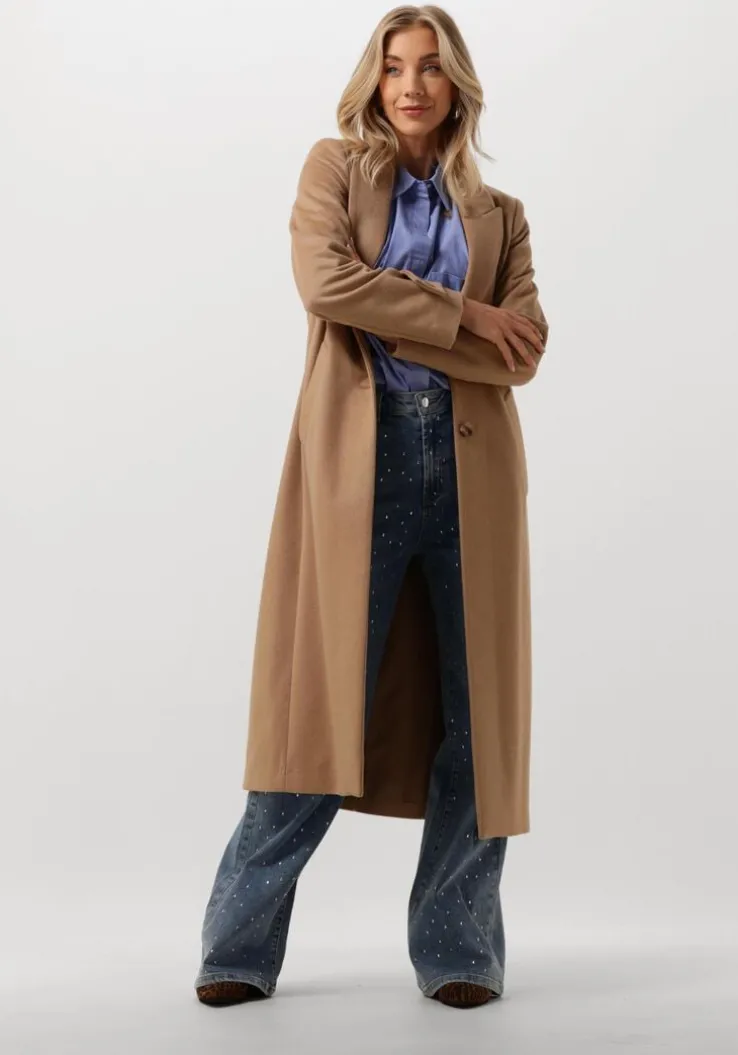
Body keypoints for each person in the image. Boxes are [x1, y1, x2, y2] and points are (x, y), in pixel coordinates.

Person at [194, 3, 548, 1011]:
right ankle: (237, 944)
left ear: (457, 85)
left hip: (471, 475)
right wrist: (462, 314)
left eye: (430, 67)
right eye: (394, 66)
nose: (411, 85)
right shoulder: (333, 170)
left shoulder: (502, 213)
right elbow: (324, 282)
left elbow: (525, 347)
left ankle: (461, 948)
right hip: (359, 466)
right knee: (313, 709)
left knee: (475, 721)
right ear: (374, 80)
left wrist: (397, 313)